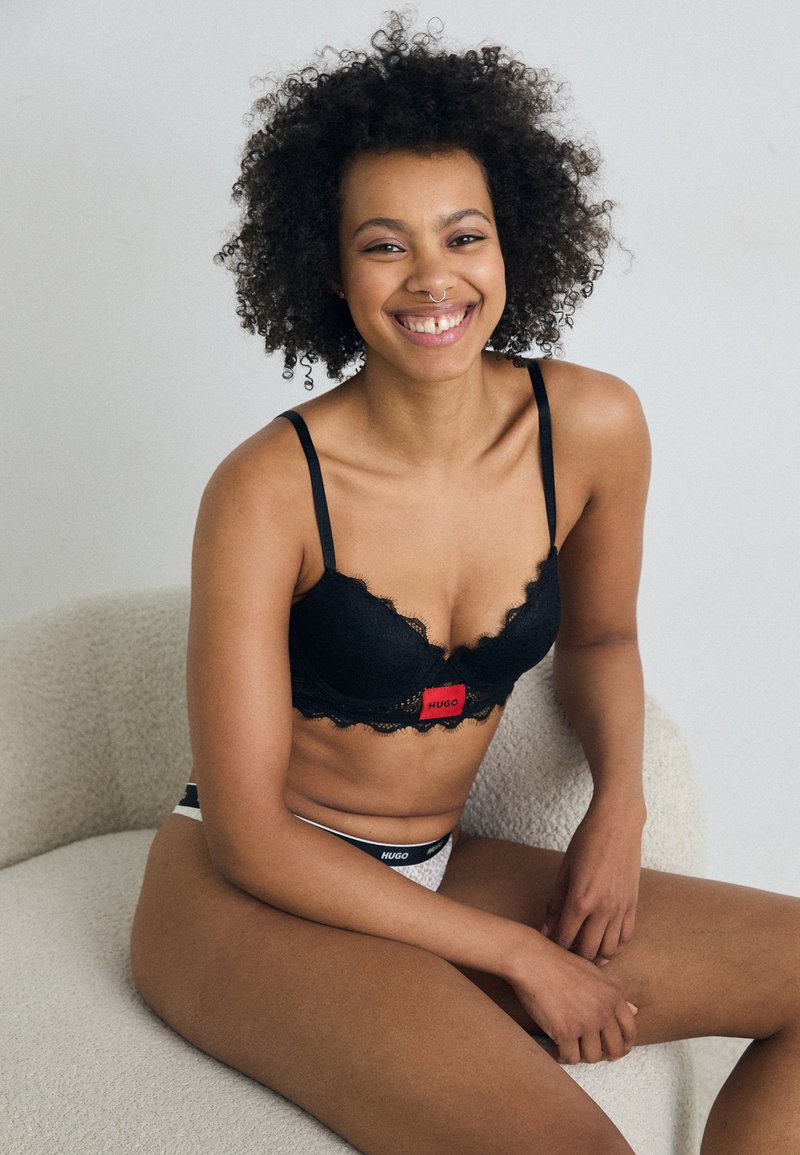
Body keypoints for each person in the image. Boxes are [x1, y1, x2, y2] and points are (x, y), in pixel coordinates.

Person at [130, 15, 799, 1153]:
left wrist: (619, 805)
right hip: (250, 894)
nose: (433, 277)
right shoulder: (266, 490)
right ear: (329, 268)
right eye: (384, 244)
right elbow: (247, 833)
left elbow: (600, 641)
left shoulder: (591, 427)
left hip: (434, 870)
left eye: (464, 235)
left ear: (510, 244)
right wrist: (519, 954)